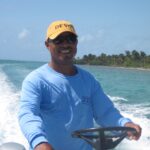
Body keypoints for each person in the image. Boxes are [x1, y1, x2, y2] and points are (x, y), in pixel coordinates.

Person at [18, 20, 142, 150]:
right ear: (47, 45)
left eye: (70, 39)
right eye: (58, 40)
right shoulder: (36, 80)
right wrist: (39, 142)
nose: (65, 44)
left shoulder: (89, 80)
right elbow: (28, 114)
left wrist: (125, 123)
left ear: (76, 43)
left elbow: (105, 112)